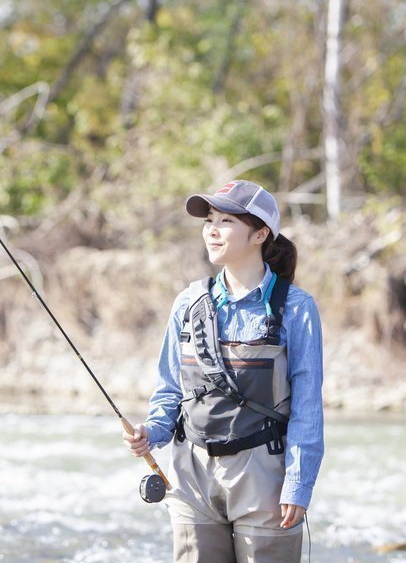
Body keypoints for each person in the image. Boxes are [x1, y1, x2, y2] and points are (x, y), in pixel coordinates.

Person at [124, 180, 324, 563]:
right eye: (209, 220)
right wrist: (152, 432)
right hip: (190, 473)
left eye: (226, 221)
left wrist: (298, 485)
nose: (212, 230)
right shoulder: (187, 302)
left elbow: (308, 407)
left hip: (264, 473)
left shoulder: (296, 308)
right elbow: (170, 390)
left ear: (260, 234)